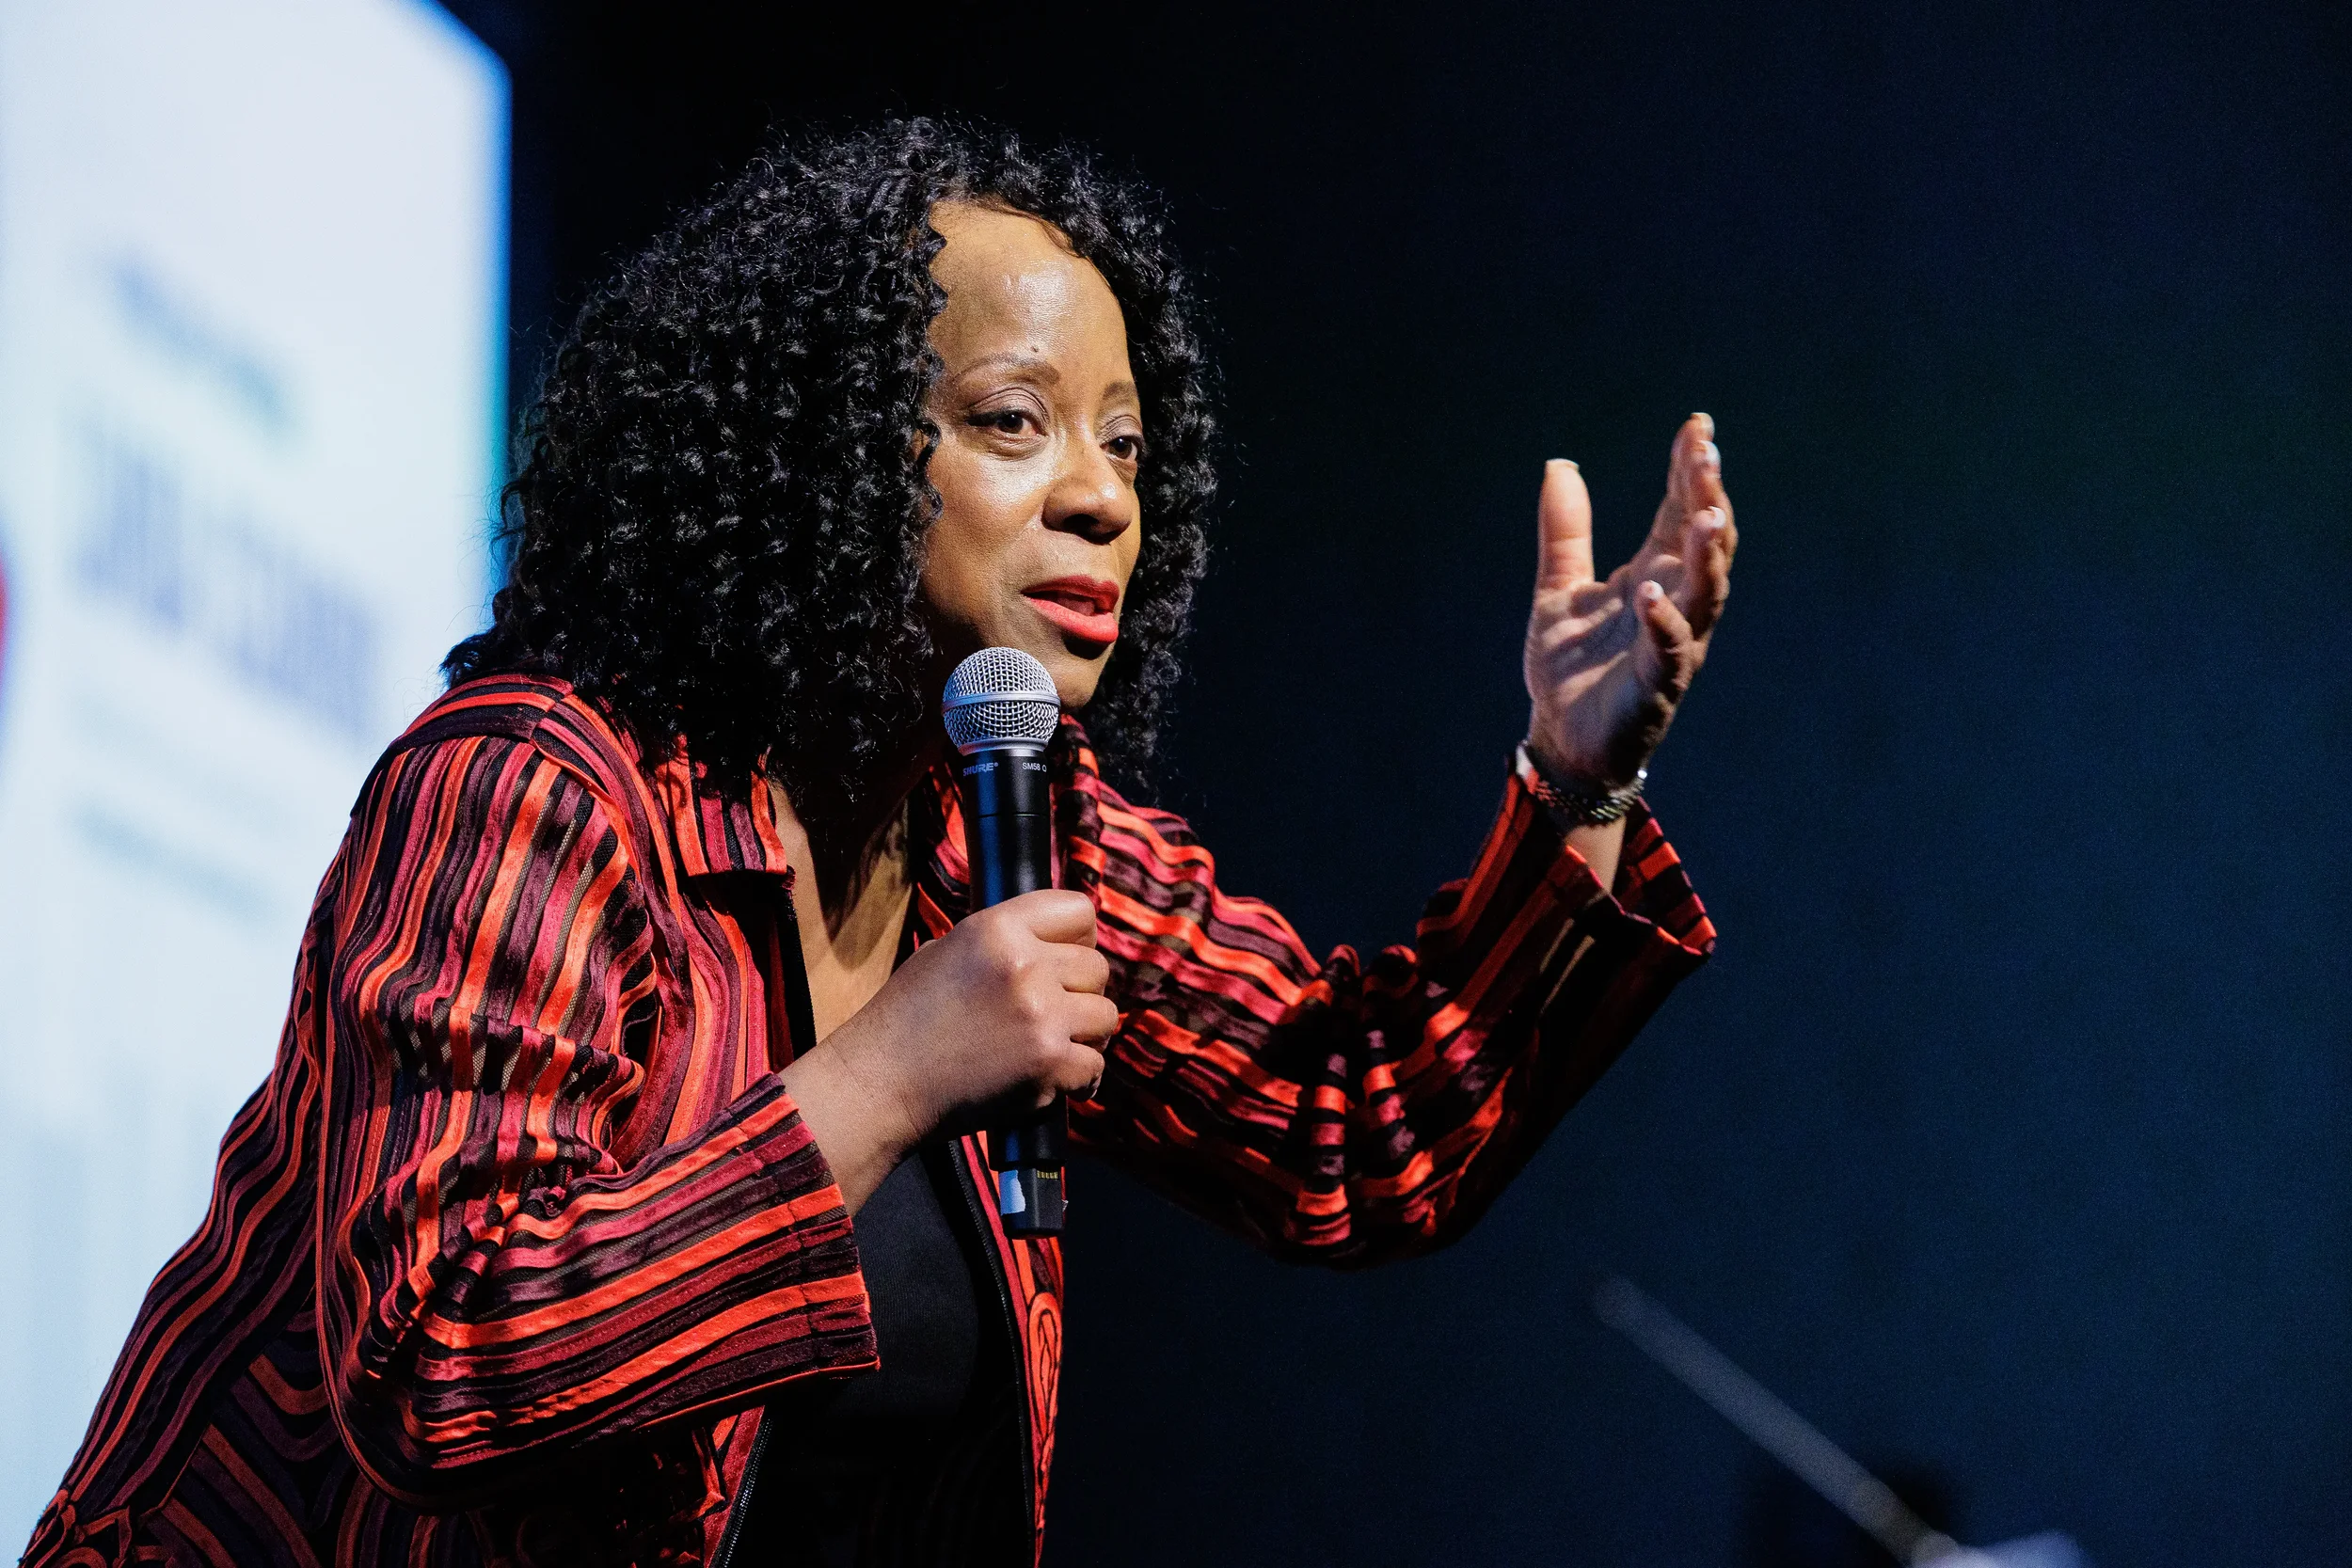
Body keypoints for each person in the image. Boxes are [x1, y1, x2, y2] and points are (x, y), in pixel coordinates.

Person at [25, 119, 1730, 1568]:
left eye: (1129, 448)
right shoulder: (536, 788)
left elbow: (1355, 1132)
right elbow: (445, 1352)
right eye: (1011, 421)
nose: (1100, 497)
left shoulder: (1016, 833)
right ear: (820, 452)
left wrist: (1573, 786)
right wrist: (887, 1075)